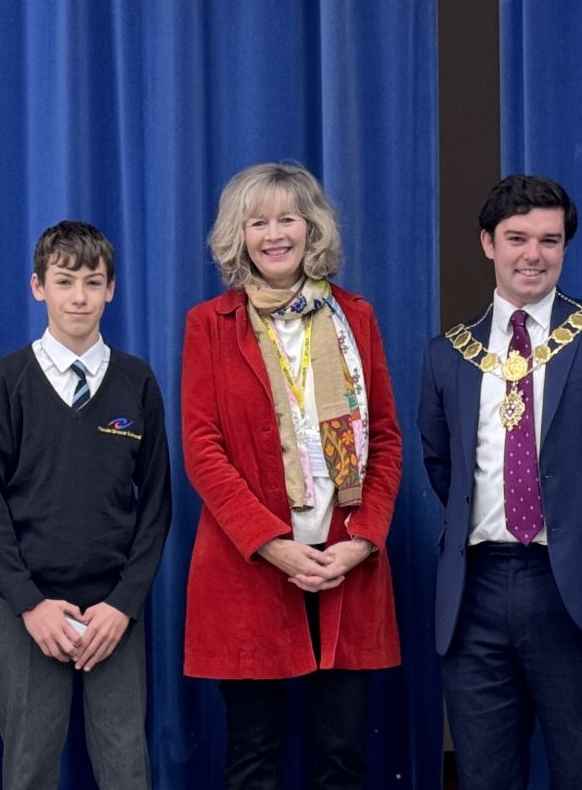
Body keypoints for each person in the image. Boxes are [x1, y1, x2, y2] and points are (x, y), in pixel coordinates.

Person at [418, 174, 582, 789]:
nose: (533, 254)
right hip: (476, 590)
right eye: (518, 238)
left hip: (575, 584)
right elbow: (441, 461)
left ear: (564, 248)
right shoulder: (447, 353)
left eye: (550, 240)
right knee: (484, 777)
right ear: (488, 244)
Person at [181, 162, 402, 788]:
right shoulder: (209, 325)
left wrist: (362, 540)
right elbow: (203, 449)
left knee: (343, 758)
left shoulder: (355, 317)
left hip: (346, 567)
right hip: (249, 568)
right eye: (259, 221)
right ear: (239, 234)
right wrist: (271, 544)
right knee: (253, 758)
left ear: (312, 228)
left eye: (287, 218)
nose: (274, 234)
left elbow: (384, 437)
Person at [0, 220, 172, 789]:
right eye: (64, 281)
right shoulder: (8, 381)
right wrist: (30, 603)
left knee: (126, 765)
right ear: (39, 288)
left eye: (92, 281)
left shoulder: (136, 381)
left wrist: (124, 604)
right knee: (29, 764)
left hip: (114, 615)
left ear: (111, 289)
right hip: (26, 611)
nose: (78, 296)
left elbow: (155, 506)